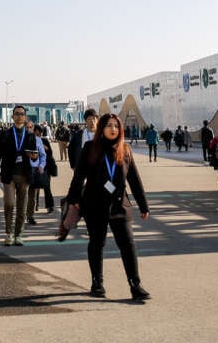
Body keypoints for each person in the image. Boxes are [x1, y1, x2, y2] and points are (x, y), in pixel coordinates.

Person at [64, 113, 150, 302]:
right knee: (97, 243)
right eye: (109, 125)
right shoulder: (90, 148)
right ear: (102, 128)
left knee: (128, 245)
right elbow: (78, 177)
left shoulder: (125, 150)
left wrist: (143, 205)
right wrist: (73, 199)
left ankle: (135, 285)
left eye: (116, 126)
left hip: (120, 205)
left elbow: (134, 179)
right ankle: (97, 283)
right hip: (95, 205)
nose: (113, 129)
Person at [0, 105, 38, 246]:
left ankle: (19, 234)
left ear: (25, 117)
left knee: (21, 207)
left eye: (22, 114)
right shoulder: (5, 134)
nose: (19, 116)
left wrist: (34, 157)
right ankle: (9, 233)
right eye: (17, 114)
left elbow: (35, 155)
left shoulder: (30, 135)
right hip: (8, 175)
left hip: (24, 175)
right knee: (9, 204)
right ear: (12, 117)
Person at [25, 121, 55, 224]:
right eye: (27, 127)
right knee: (22, 194)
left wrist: (41, 166)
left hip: (34, 170)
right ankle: (22, 214)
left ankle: (30, 216)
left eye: (30, 127)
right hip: (22, 171)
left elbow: (43, 155)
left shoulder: (38, 140)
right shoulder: (21, 139)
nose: (28, 129)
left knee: (32, 195)